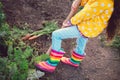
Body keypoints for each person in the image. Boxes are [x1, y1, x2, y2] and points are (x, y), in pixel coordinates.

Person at [35, 0, 118, 73]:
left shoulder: (103, 2)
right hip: (91, 27)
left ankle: (51, 64)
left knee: (56, 35)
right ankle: (75, 61)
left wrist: (72, 22)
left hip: (87, 27)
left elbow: (86, 13)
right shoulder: (106, 2)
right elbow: (89, 2)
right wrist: (79, 1)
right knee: (82, 39)